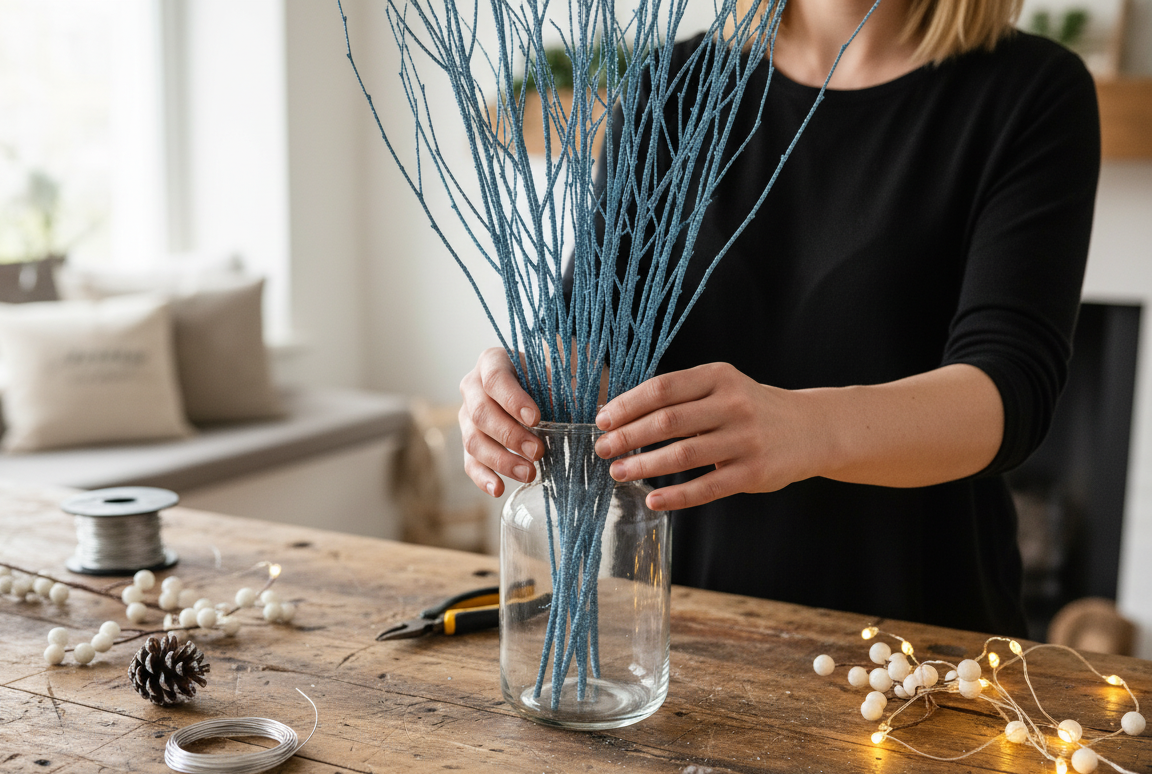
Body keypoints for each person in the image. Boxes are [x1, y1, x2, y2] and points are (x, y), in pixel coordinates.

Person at [458, 0, 1101, 637]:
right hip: (681, 633)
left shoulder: (1032, 91)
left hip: (919, 644)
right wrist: (518, 389)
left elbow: (1009, 391)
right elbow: (585, 345)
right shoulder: (671, 87)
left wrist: (804, 428)